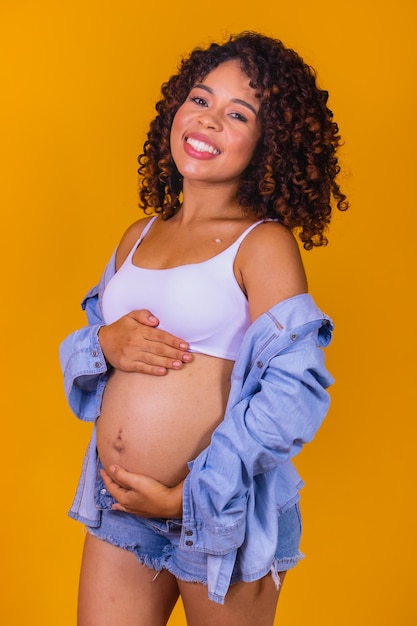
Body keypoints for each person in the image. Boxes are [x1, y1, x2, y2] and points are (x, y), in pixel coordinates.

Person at [59, 31, 348, 626]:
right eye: (200, 99)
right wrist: (103, 343)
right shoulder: (138, 235)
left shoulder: (261, 244)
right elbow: (96, 344)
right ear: (174, 111)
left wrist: (190, 498)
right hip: (121, 506)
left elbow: (295, 391)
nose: (210, 121)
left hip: (222, 513)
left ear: (269, 145)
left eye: (237, 114)